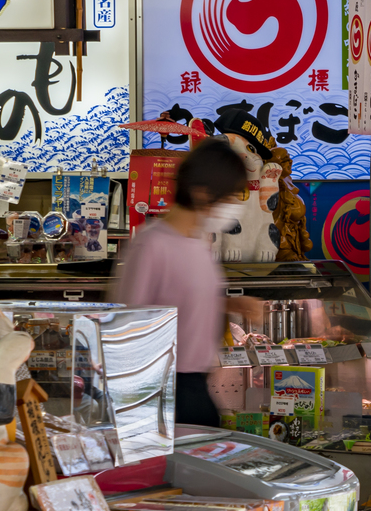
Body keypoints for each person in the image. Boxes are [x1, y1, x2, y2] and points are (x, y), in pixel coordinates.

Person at [111, 141, 266, 428]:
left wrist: (230, 304)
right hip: (164, 391)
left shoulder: (198, 242)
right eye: (230, 197)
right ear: (202, 193)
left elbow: (181, 298)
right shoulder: (151, 245)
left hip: (196, 385)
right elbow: (127, 321)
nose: (234, 207)